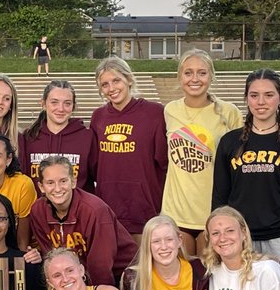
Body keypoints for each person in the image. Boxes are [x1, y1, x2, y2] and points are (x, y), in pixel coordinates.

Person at [211, 68, 280, 258]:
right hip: (240, 237)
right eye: (254, 95)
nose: (260, 102)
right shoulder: (229, 142)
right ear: (246, 98)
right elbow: (219, 198)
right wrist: (219, 233)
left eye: (269, 95)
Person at [163, 49, 244, 254]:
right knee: (184, 279)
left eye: (202, 72)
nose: (195, 79)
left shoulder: (229, 112)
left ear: (211, 76)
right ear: (180, 77)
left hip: (214, 211)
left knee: (210, 279)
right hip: (177, 211)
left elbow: (239, 166)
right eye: (188, 73)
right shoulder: (170, 110)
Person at [89, 56, 168, 239]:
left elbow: (164, 163)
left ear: (129, 79)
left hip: (144, 210)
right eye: (105, 84)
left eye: (116, 80)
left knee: (142, 266)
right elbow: (95, 165)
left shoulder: (154, 113)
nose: (111, 88)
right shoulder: (98, 117)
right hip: (108, 209)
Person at [28, 155, 136, 287]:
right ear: (41, 187)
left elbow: (100, 267)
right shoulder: (38, 211)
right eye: (50, 183)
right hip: (77, 277)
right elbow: (51, 257)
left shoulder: (95, 210)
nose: (57, 188)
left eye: (63, 181)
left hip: (119, 275)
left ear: (73, 181)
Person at [19, 79, 99, 195]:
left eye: (67, 103)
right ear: (43, 103)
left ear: (73, 106)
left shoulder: (87, 137)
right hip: (38, 210)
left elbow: (98, 177)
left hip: (78, 210)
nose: (61, 109)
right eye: (54, 102)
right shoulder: (29, 137)